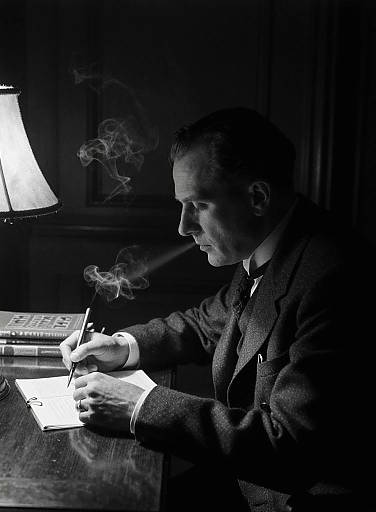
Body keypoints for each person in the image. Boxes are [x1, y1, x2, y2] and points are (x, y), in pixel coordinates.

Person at [60, 107, 375, 512]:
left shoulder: (333, 279)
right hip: (246, 481)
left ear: (257, 197)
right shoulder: (269, 244)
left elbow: (290, 444)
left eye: (198, 205)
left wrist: (139, 405)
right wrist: (122, 345)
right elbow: (205, 323)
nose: (183, 227)